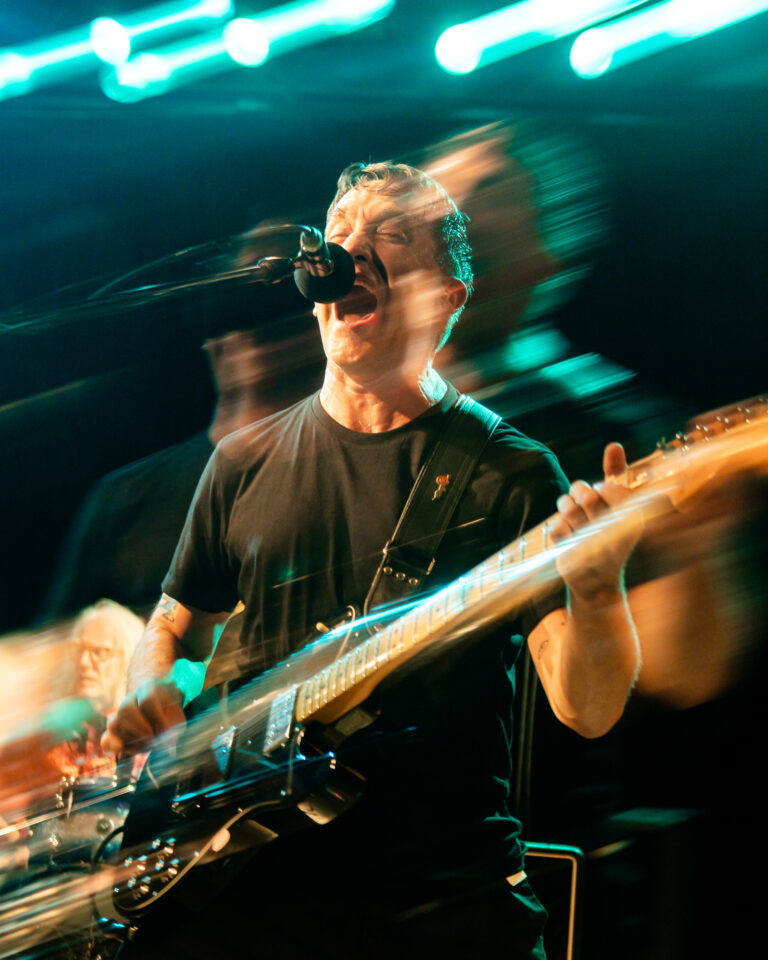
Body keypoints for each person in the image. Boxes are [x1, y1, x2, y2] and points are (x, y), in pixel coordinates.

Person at [104, 161, 640, 959]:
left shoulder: (511, 473)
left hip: (429, 910)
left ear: (448, 297)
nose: (349, 251)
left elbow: (585, 707)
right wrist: (150, 685)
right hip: (244, 898)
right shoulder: (242, 460)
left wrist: (599, 595)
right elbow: (177, 625)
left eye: (389, 236)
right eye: (340, 233)